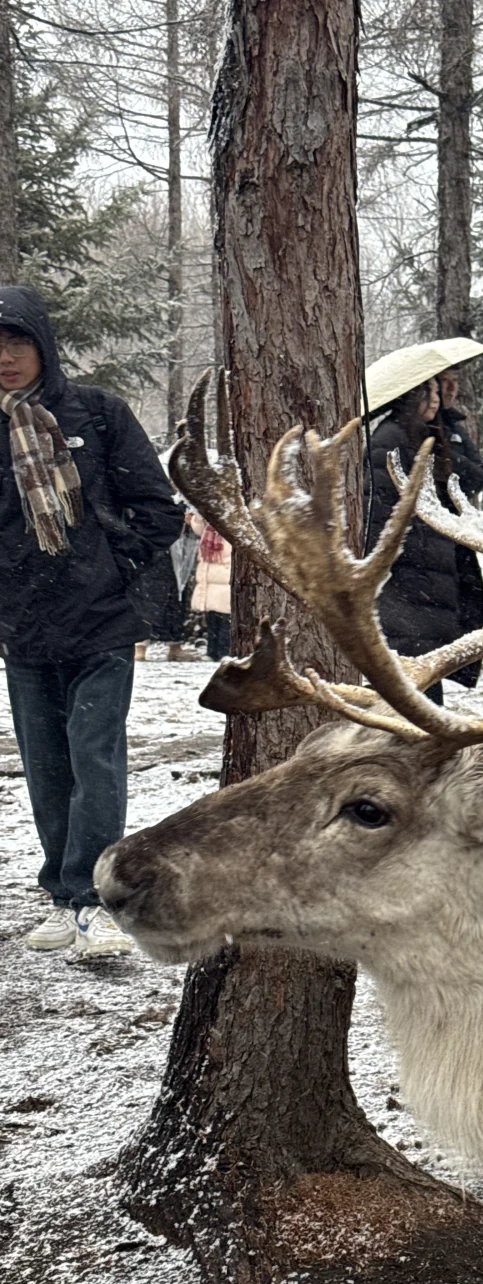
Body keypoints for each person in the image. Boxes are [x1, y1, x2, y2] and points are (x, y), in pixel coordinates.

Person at [0, 285, 184, 958]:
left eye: (17, 342)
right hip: (22, 628)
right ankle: (62, 895)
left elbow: (158, 508)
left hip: (101, 623)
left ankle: (95, 900)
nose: (6, 358)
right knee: (47, 768)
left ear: (43, 344)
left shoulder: (98, 415)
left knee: (95, 758)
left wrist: (112, 567)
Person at [364, 376, 483, 703]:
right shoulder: (389, 439)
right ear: (410, 395)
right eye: (428, 391)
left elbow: (473, 479)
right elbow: (380, 509)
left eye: (438, 391)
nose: (436, 398)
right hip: (408, 575)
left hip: (435, 570)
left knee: (427, 665)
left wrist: (449, 426)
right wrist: (401, 556)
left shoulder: (431, 434)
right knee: (411, 664)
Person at [189, 512, 232, 661]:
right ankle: (212, 650)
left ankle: (224, 650)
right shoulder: (209, 526)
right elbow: (198, 528)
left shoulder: (230, 523)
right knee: (212, 616)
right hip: (209, 574)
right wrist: (199, 515)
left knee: (225, 617)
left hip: (223, 575)